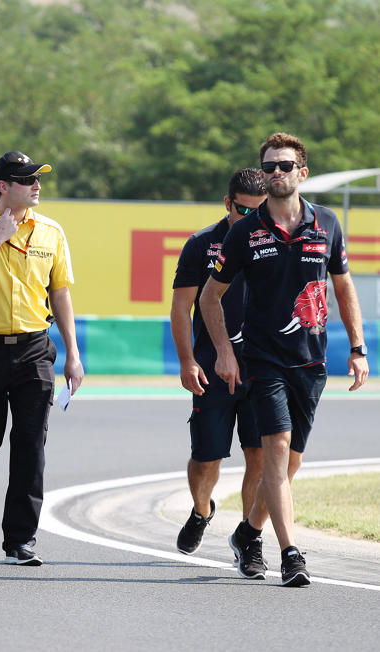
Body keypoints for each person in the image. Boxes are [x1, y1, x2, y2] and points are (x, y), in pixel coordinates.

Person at [201, 132, 369, 587]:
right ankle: (291, 554)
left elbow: (343, 286)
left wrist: (357, 347)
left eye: (286, 165)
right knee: (275, 451)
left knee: (289, 465)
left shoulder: (327, 223)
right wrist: (223, 353)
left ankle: (247, 534)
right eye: (270, 166)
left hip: (312, 363)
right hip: (262, 359)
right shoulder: (244, 231)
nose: (277, 173)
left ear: (302, 173)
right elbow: (209, 297)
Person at [0, 151, 84, 566]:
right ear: (3, 186)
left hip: (34, 350)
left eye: (37, 179)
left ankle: (20, 540)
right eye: (27, 180)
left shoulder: (51, 231)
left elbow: (60, 293)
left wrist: (72, 355)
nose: (36, 186)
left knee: (30, 445)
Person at [170, 169, 266, 556]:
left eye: (261, 211)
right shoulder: (201, 244)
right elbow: (180, 307)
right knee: (206, 457)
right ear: (228, 203)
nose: (253, 219)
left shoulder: (275, 241)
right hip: (211, 367)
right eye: (244, 211)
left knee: (260, 455)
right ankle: (200, 510)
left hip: (262, 367)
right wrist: (187, 361)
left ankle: (250, 539)